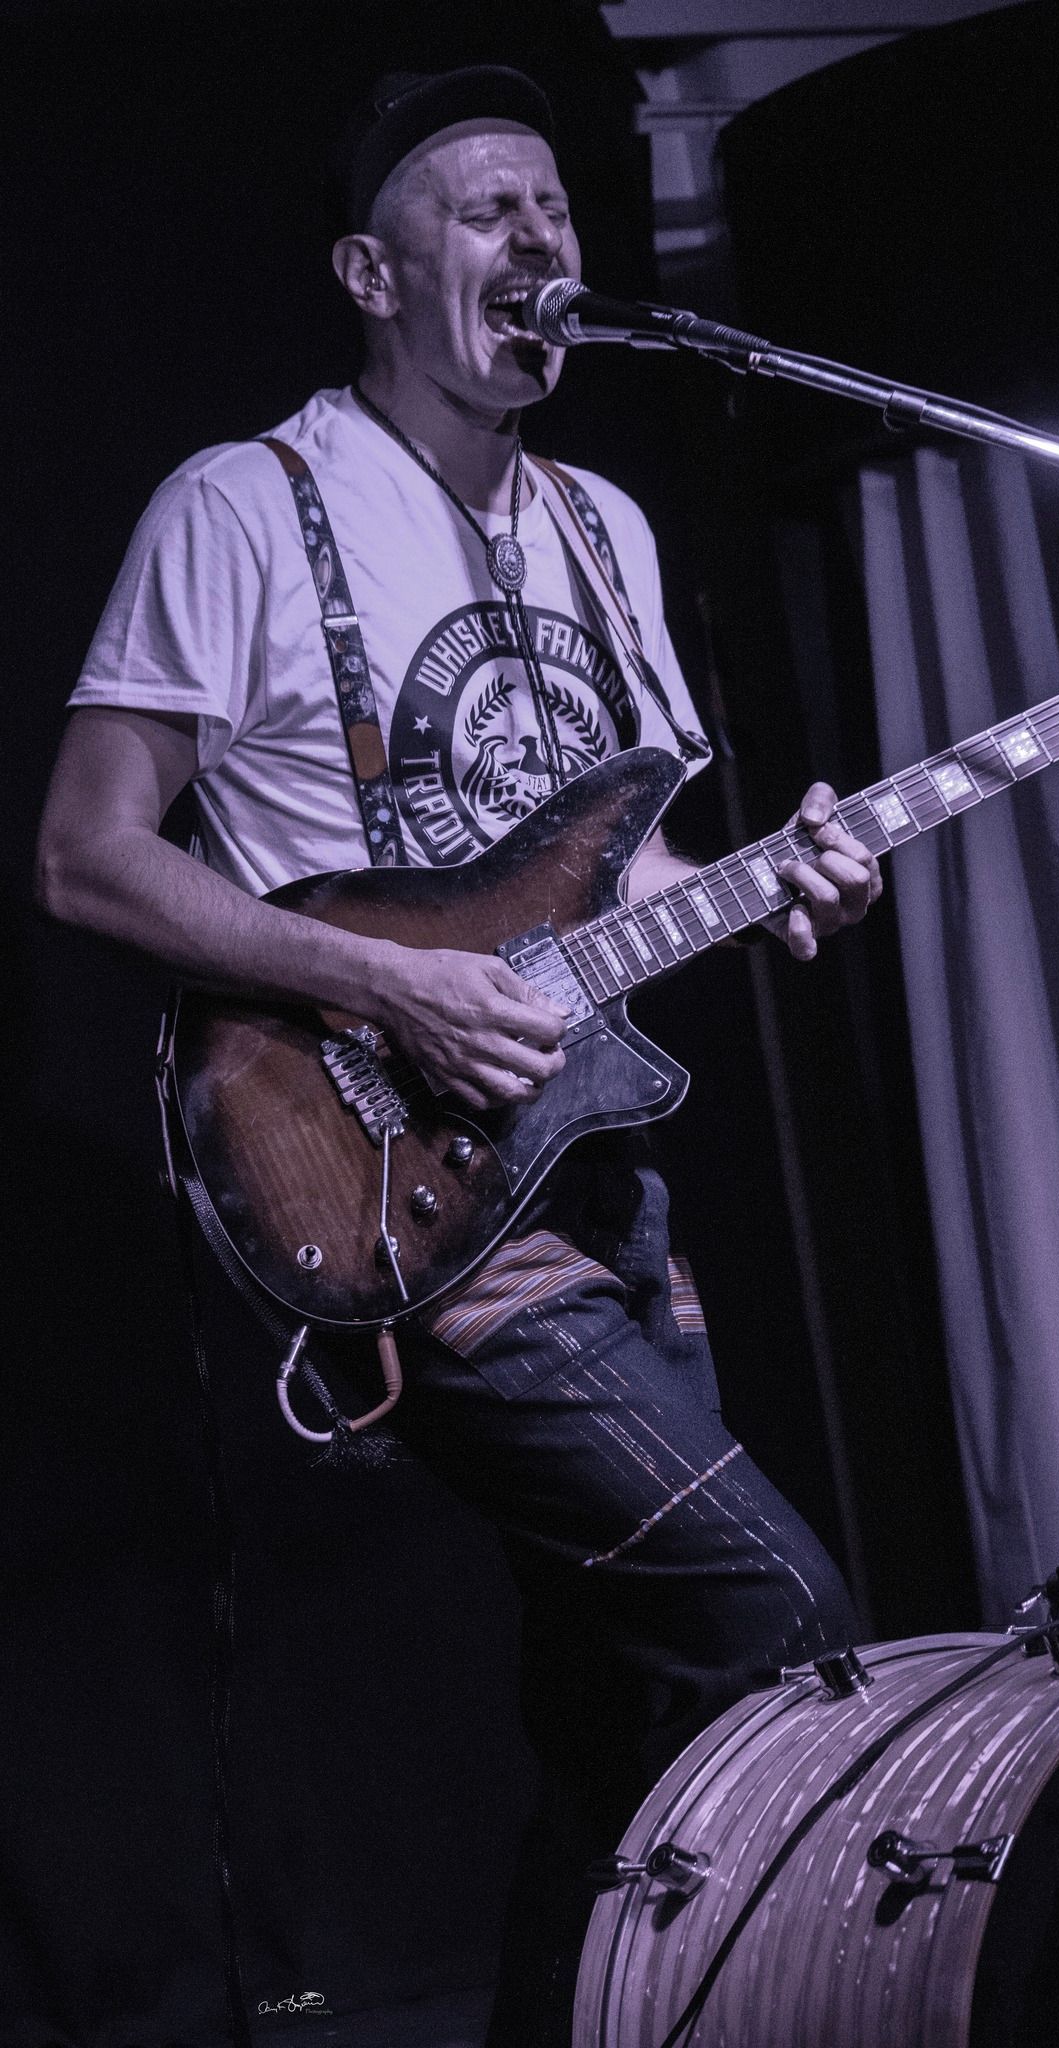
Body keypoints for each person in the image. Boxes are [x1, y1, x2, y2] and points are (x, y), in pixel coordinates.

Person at [36, 65, 882, 2046]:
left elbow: (628, 850)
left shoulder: (605, 528)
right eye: (489, 209)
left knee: (625, 1725)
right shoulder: (248, 507)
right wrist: (395, 986)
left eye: (559, 210)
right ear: (371, 271)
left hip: (596, 1174)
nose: (544, 239)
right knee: (779, 1629)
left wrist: (783, 876)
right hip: (389, 1176)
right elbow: (84, 855)